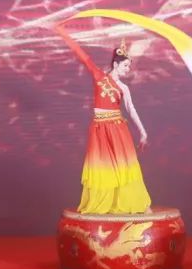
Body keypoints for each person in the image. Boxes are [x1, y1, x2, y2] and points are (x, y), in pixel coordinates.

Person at [54, 22, 152, 214]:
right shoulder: (99, 77)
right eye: (125, 65)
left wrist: (143, 132)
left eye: (129, 66)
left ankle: (136, 202)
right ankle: (104, 203)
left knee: (123, 166)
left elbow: (131, 109)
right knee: (102, 166)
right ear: (115, 64)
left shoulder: (124, 88)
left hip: (117, 129)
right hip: (99, 129)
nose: (128, 69)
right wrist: (62, 32)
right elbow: (81, 54)